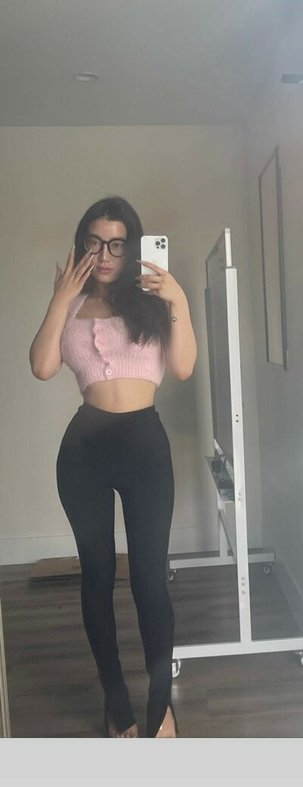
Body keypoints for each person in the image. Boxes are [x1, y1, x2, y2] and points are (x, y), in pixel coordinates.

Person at [29, 196, 197, 738]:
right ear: (82, 245)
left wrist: (178, 300)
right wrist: (60, 298)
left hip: (145, 447)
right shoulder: (72, 306)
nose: (104, 255)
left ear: (133, 248)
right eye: (95, 242)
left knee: (149, 580)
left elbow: (184, 366)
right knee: (97, 577)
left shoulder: (152, 302)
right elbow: (42, 366)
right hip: (85, 452)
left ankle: (160, 707)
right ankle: (117, 701)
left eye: (117, 244)